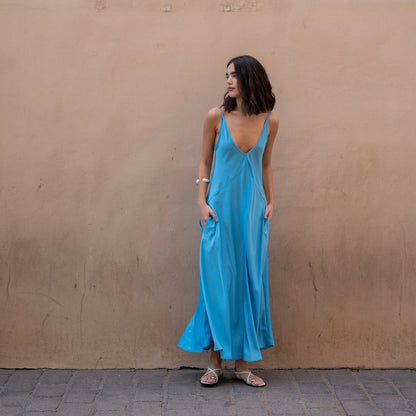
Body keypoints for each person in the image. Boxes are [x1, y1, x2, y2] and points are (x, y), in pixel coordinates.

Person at [178, 55, 279, 387]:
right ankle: (214, 363)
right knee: (218, 285)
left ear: (250, 79)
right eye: (226, 75)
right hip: (218, 211)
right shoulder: (215, 117)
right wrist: (200, 204)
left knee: (249, 284)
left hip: (251, 214)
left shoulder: (270, 121)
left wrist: (271, 201)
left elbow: (265, 165)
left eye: (234, 75)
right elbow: (204, 161)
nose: (228, 81)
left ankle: (243, 365)